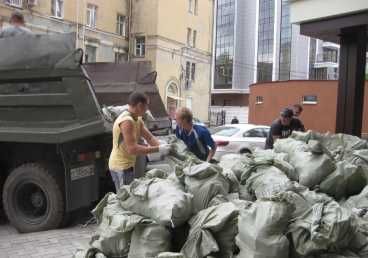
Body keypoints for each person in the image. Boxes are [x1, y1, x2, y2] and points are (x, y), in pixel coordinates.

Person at [108, 91, 171, 191]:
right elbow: (132, 149)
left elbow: (149, 138)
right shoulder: (127, 121)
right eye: (147, 106)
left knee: (128, 197)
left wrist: (165, 149)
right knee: (126, 199)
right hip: (121, 167)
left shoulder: (137, 119)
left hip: (127, 165)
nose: (147, 109)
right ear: (140, 105)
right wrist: (158, 149)